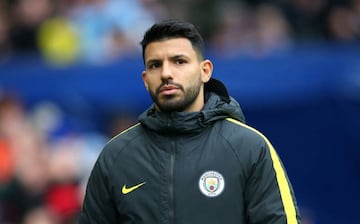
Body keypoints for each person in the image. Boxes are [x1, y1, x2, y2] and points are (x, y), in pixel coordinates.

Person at [79, 19, 301, 224]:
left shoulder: (250, 148)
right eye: (155, 65)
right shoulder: (116, 156)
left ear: (205, 71)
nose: (166, 73)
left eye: (179, 61)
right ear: (146, 80)